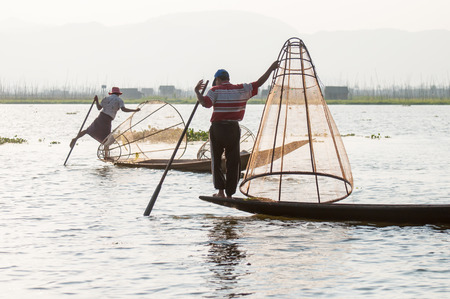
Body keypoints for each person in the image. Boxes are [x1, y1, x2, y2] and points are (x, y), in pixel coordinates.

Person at [195, 61, 279, 198]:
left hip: (218, 128)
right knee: (233, 161)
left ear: (217, 80)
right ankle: (229, 194)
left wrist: (197, 92)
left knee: (216, 160)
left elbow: (205, 103)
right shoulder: (242, 89)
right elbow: (259, 82)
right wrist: (271, 68)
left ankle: (221, 192)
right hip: (233, 128)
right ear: (227, 79)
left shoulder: (214, 90)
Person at [69, 87, 140, 157]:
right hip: (107, 120)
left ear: (112, 93)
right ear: (118, 94)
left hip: (101, 117)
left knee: (88, 130)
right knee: (107, 138)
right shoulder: (119, 100)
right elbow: (123, 109)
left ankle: (75, 138)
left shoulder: (106, 98)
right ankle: (106, 156)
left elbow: (99, 108)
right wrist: (135, 110)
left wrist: (96, 101)